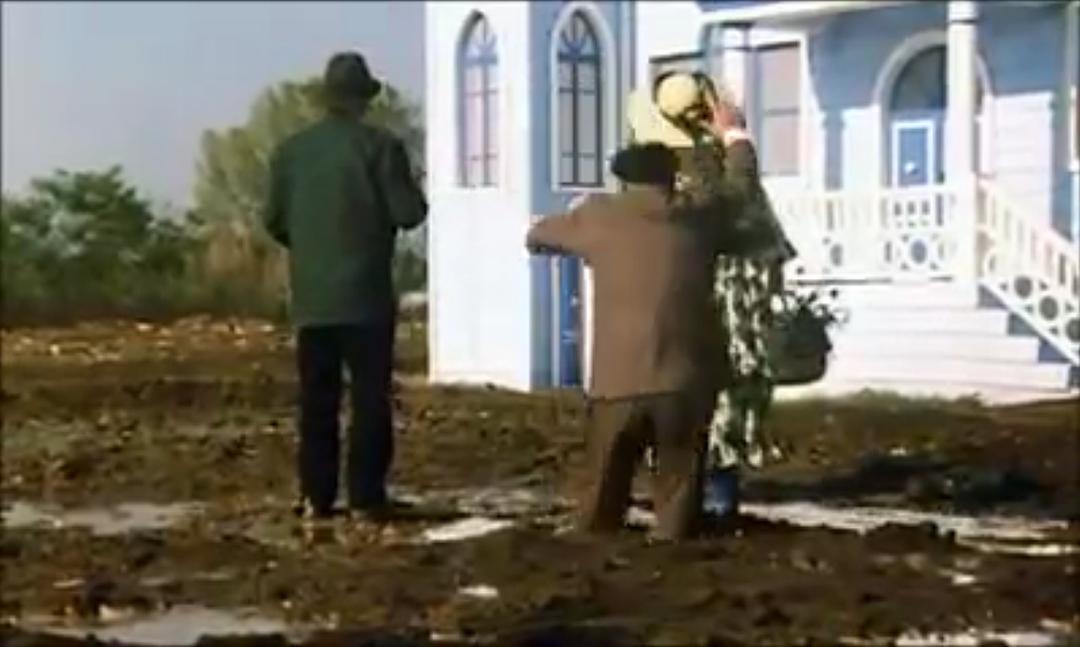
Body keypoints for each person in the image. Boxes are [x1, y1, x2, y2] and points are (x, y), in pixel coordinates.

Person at [525, 143, 726, 541]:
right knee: (678, 477)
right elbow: (742, 196)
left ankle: (600, 536)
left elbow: (537, 236)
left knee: (604, 485)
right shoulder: (701, 217)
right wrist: (734, 140)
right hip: (684, 378)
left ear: (621, 178)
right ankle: (670, 538)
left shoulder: (600, 217)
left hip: (617, 378)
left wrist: (578, 216)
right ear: (672, 176)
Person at [262, 52, 428, 521]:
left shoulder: (291, 151)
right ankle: (365, 498)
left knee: (317, 401)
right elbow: (409, 213)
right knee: (370, 400)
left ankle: (316, 497)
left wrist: (311, 249)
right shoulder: (381, 147)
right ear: (364, 100)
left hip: (312, 301)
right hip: (366, 299)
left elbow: (273, 220)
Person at [635, 72, 795, 521]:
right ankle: (712, 491)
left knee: (697, 380)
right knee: (731, 381)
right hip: (727, 281)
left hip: (698, 281)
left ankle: (691, 488)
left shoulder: (666, 162)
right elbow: (739, 197)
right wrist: (737, 138)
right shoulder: (703, 164)